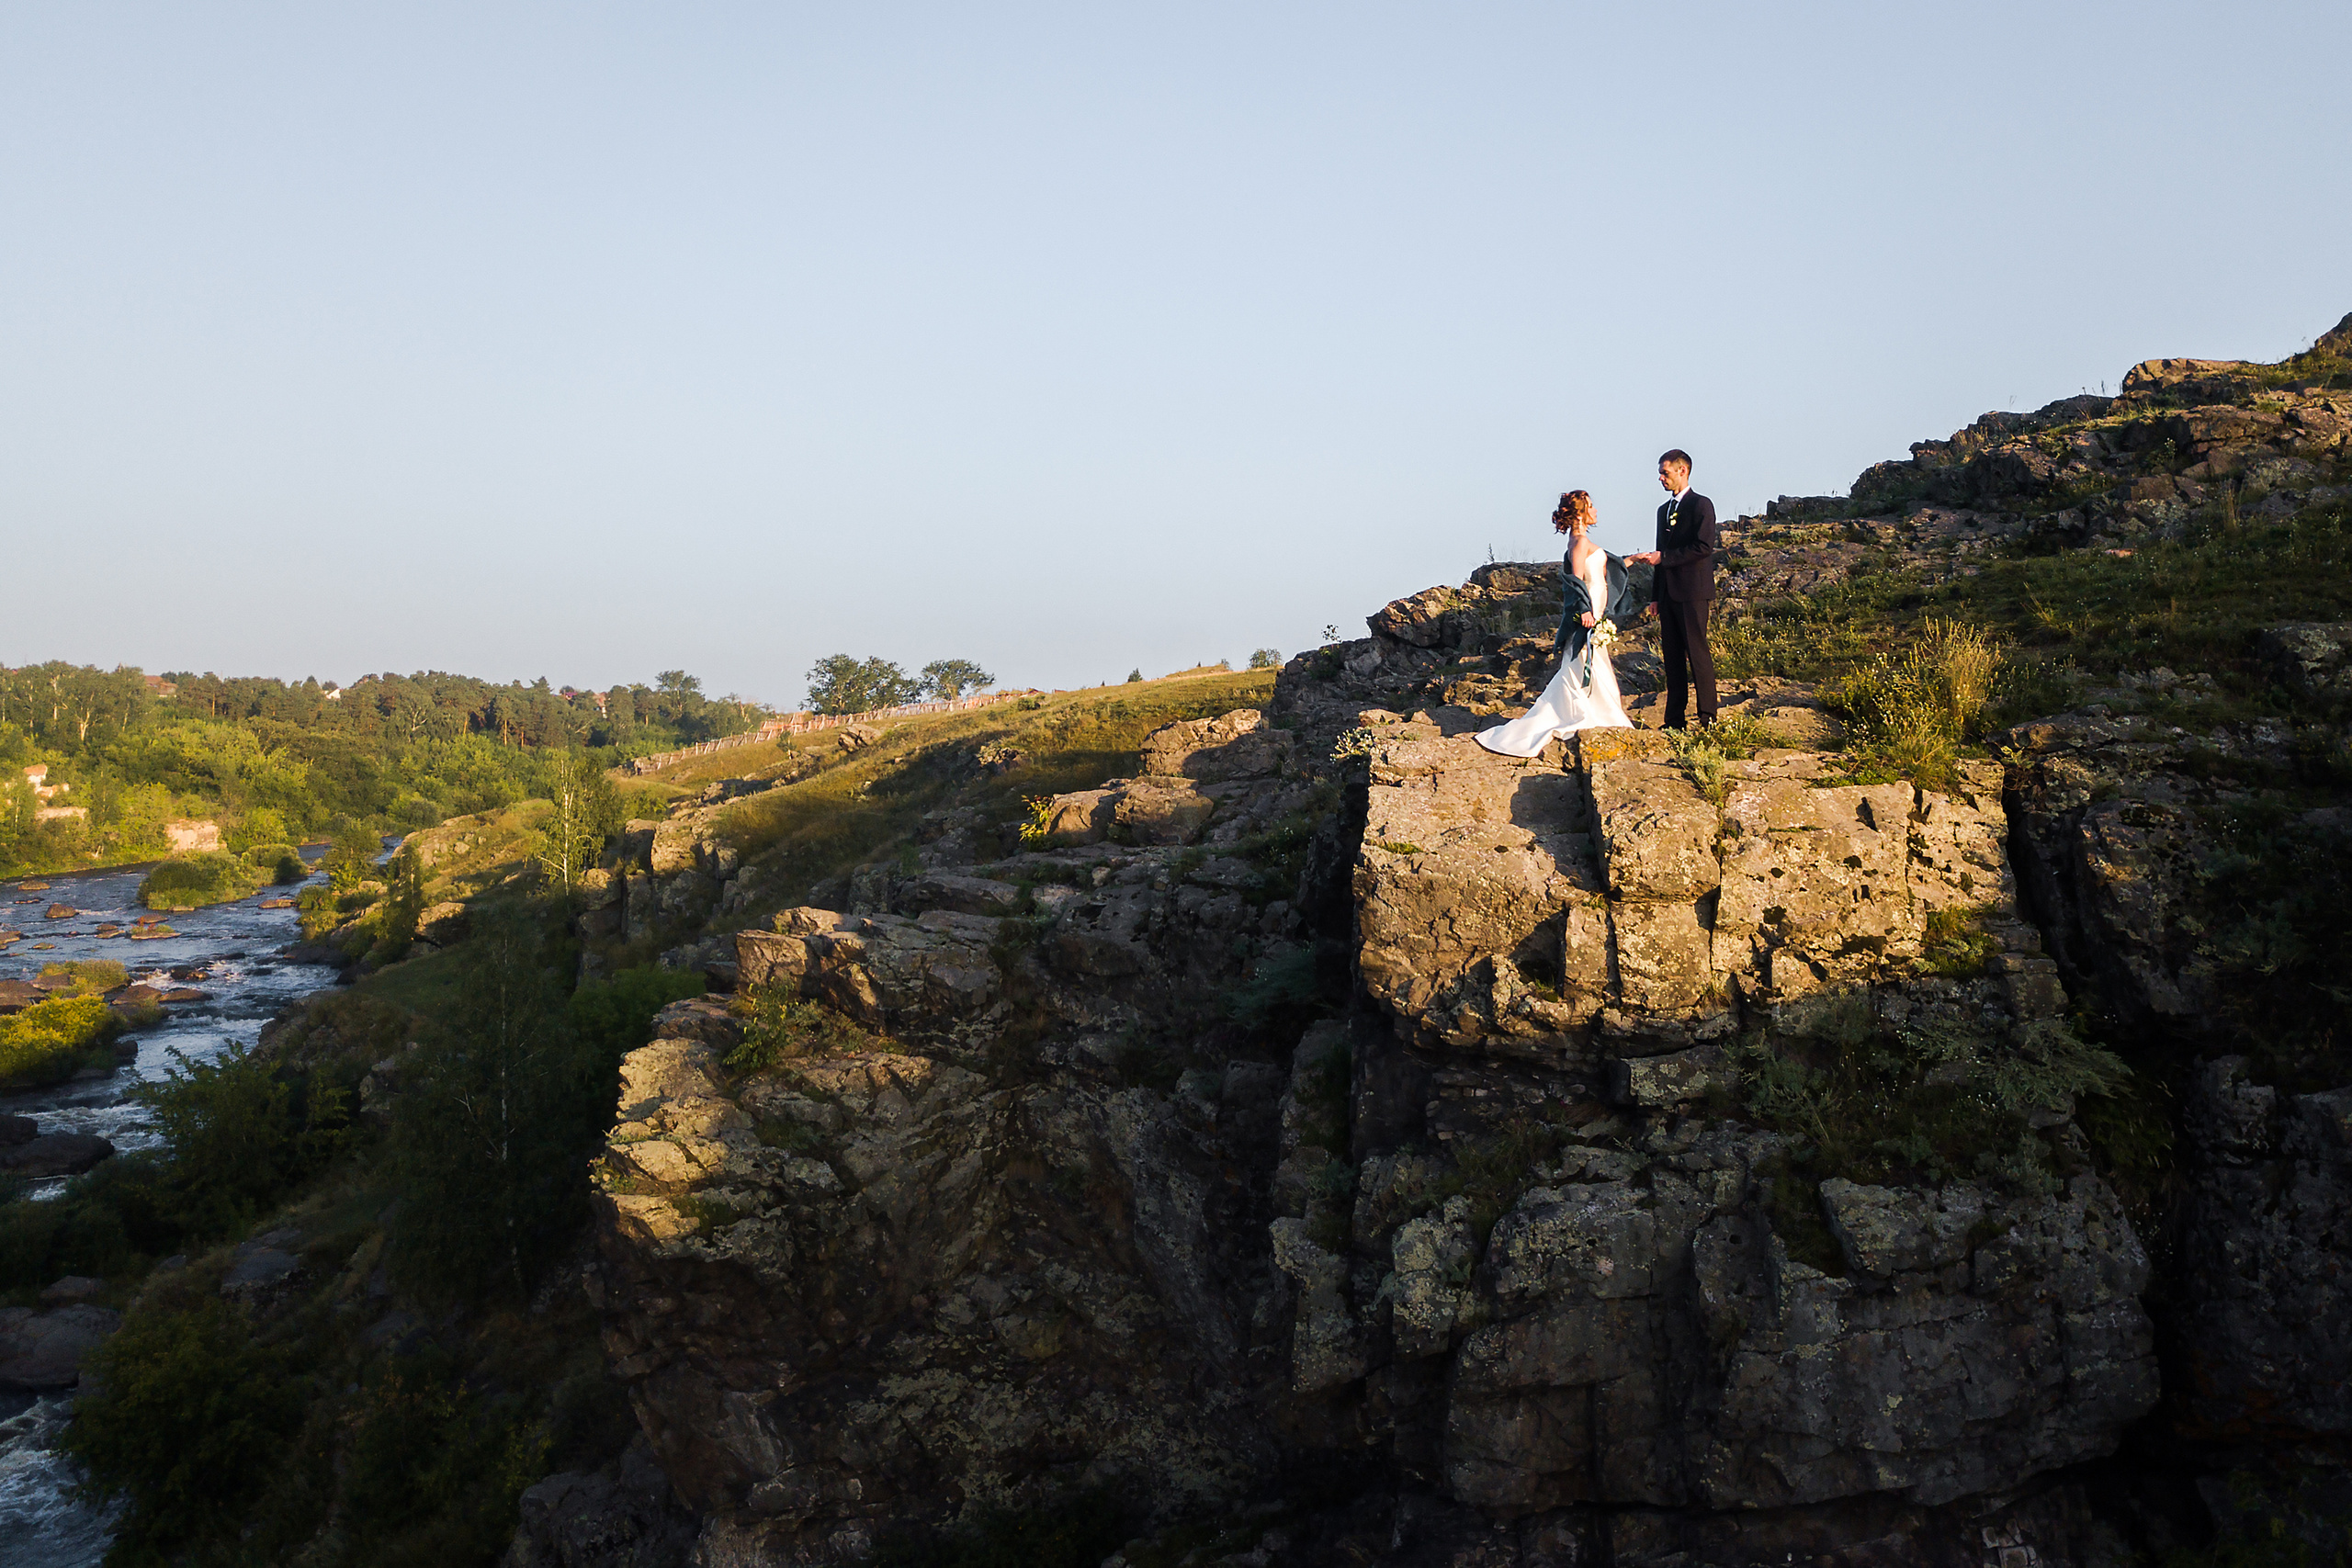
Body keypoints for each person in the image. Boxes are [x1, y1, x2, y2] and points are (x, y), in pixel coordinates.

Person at [1476, 491, 1635, 756]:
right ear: (1580, 512)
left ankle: (1600, 713)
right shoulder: (1579, 542)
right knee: (1584, 661)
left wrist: (1635, 560)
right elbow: (1575, 580)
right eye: (1591, 506)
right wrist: (1584, 610)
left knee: (1590, 662)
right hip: (1588, 612)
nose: (1596, 510)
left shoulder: (1581, 541)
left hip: (1595, 609)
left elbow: (1602, 572)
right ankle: (1591, 714)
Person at [1625, 448, 1717, 729]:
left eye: (1665, 473)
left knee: (1697, 654)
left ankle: (1708, 716)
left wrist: (1665, 558)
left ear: (1682, 470)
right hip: (1668, 595)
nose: (1661, 478)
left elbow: (1703, 547)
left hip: (1693, 592)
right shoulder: (1662, 511)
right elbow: (1659, 553)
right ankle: (1674, 719)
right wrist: (1655, 596)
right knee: (1672, 657)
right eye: (1660, 473)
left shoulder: (1701, 505)